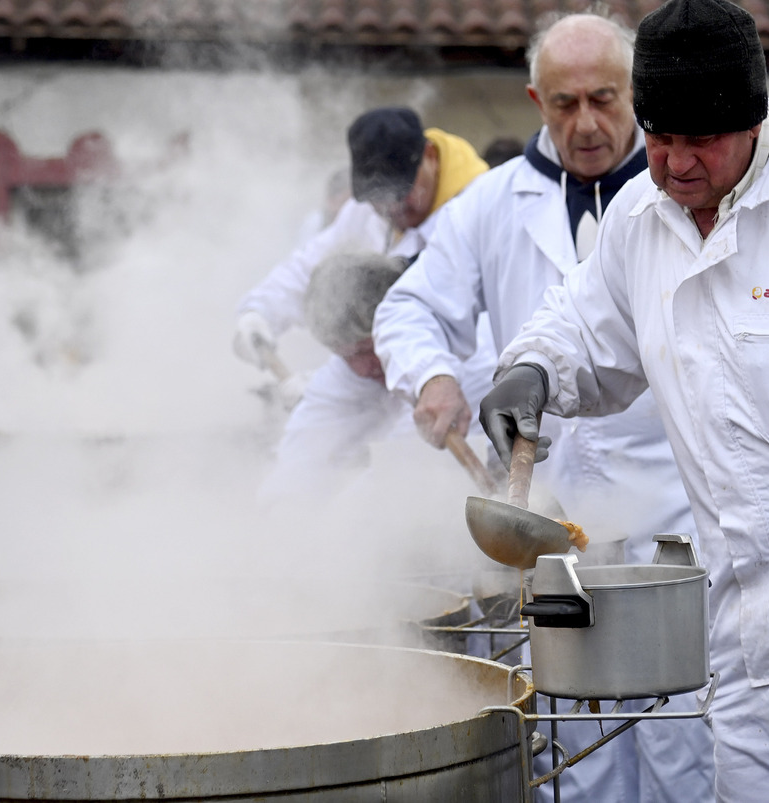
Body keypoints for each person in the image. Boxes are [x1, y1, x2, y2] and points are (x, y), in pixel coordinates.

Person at [479, 0, 769, 800]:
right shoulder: (642, 217)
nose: (674, 165)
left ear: (754, 119)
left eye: (700, 141)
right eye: (660, 138)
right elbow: (583, 328)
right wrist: (532, 371)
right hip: (743, 627)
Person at [372, 11, 714, 803]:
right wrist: (432, 377)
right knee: (576, 754)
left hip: (676, 528)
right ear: (536, 98)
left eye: (605, 98)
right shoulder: (493, 205)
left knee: (685, 747)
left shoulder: (684, 194)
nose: (586, 122)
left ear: (638, 94)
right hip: (553, 544)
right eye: (564, 103)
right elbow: (406, 307)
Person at [232, 107, 490, 411]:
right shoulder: (368, 212)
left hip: (464, 396)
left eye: (400, 193)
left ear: (430, 156)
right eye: (377, 197)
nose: (389, 207)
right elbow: (309, 267)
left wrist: (322, 390)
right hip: (381, 389)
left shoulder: (479, 210)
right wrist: (260, 312)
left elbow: (451, 343)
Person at [259, 251, 496, 502]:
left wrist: (325, 531)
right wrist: (277, 503)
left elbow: (400, 469)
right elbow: (308, 438)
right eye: (346, 356)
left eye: (365, 350)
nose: (362, 368)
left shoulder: (467, 358)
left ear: (398, 327)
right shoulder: (352, 361)